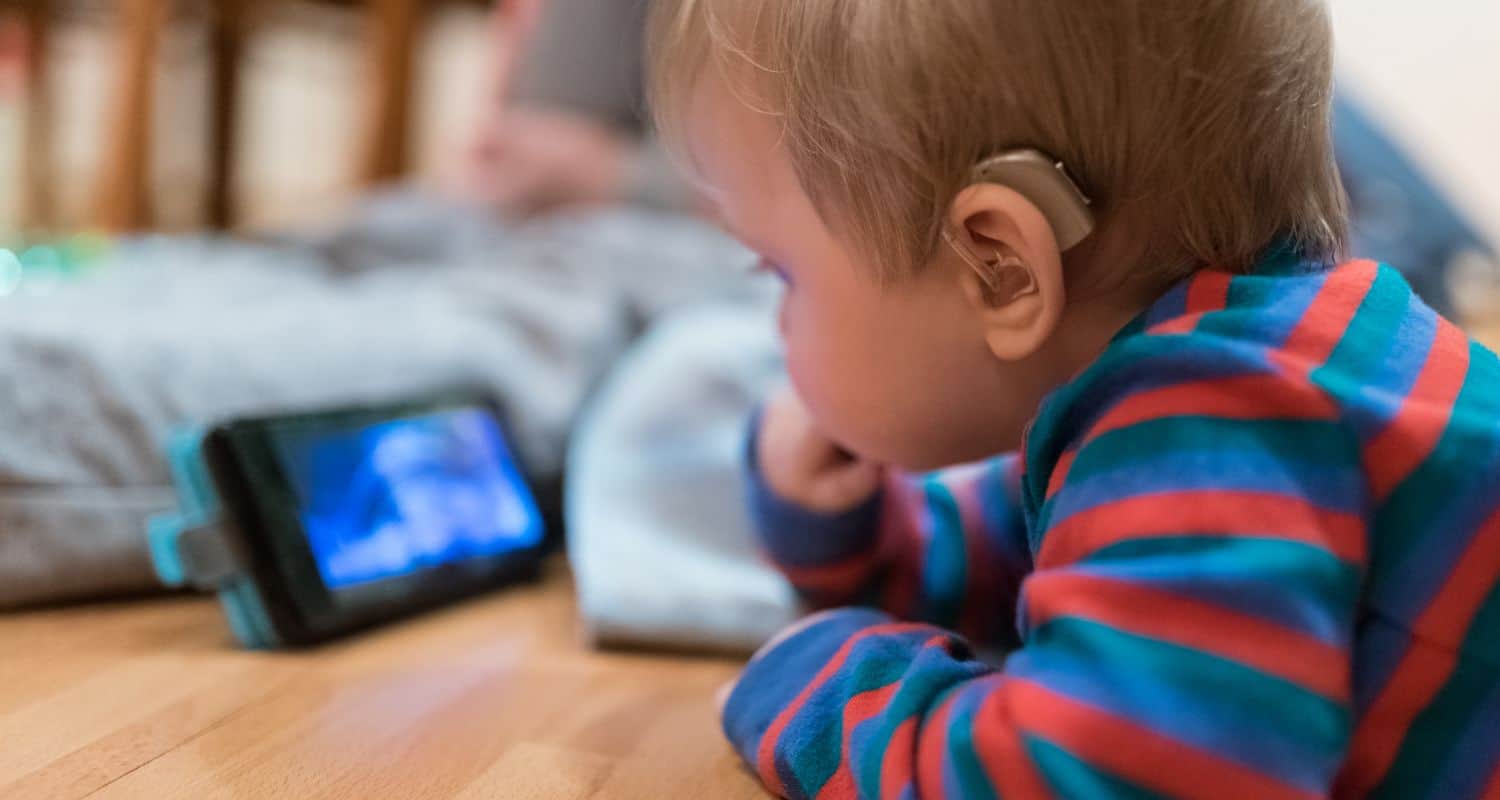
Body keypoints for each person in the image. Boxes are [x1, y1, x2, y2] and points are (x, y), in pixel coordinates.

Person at [647, 0, 1500, 797]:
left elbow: (1111, 778)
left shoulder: (1218, 425)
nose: (777, 326)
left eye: (782, 271)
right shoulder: (1220, 375)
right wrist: (867, 531)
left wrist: (832, 695)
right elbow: (1038, 549)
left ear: (1000, 267)